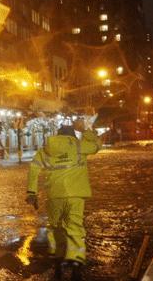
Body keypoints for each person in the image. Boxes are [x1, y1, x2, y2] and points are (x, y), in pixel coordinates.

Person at [26, 118, 101, 279]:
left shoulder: (47, 148)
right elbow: (97, 146)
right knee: (74, 228)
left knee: (55, 227)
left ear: (57, 135)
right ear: (73, 135)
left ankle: (58, 261)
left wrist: (32, 192)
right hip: (76, 195)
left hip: (54, 195)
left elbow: (34, 168)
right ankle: (75, 264)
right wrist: (87, 130)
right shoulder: (79, 145)